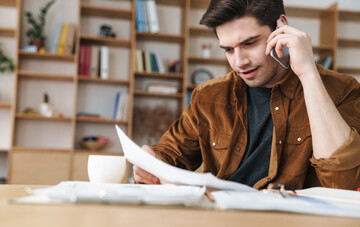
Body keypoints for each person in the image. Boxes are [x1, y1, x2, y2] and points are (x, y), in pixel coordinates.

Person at [133, 0, 360, 190]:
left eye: (250, 43)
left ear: (282, 28)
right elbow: (171, 155)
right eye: (229, 50)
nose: (239, 62)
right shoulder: (208, 96)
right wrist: (151, 163)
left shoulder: (342, 90)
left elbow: (344, 184)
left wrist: (308, 73)